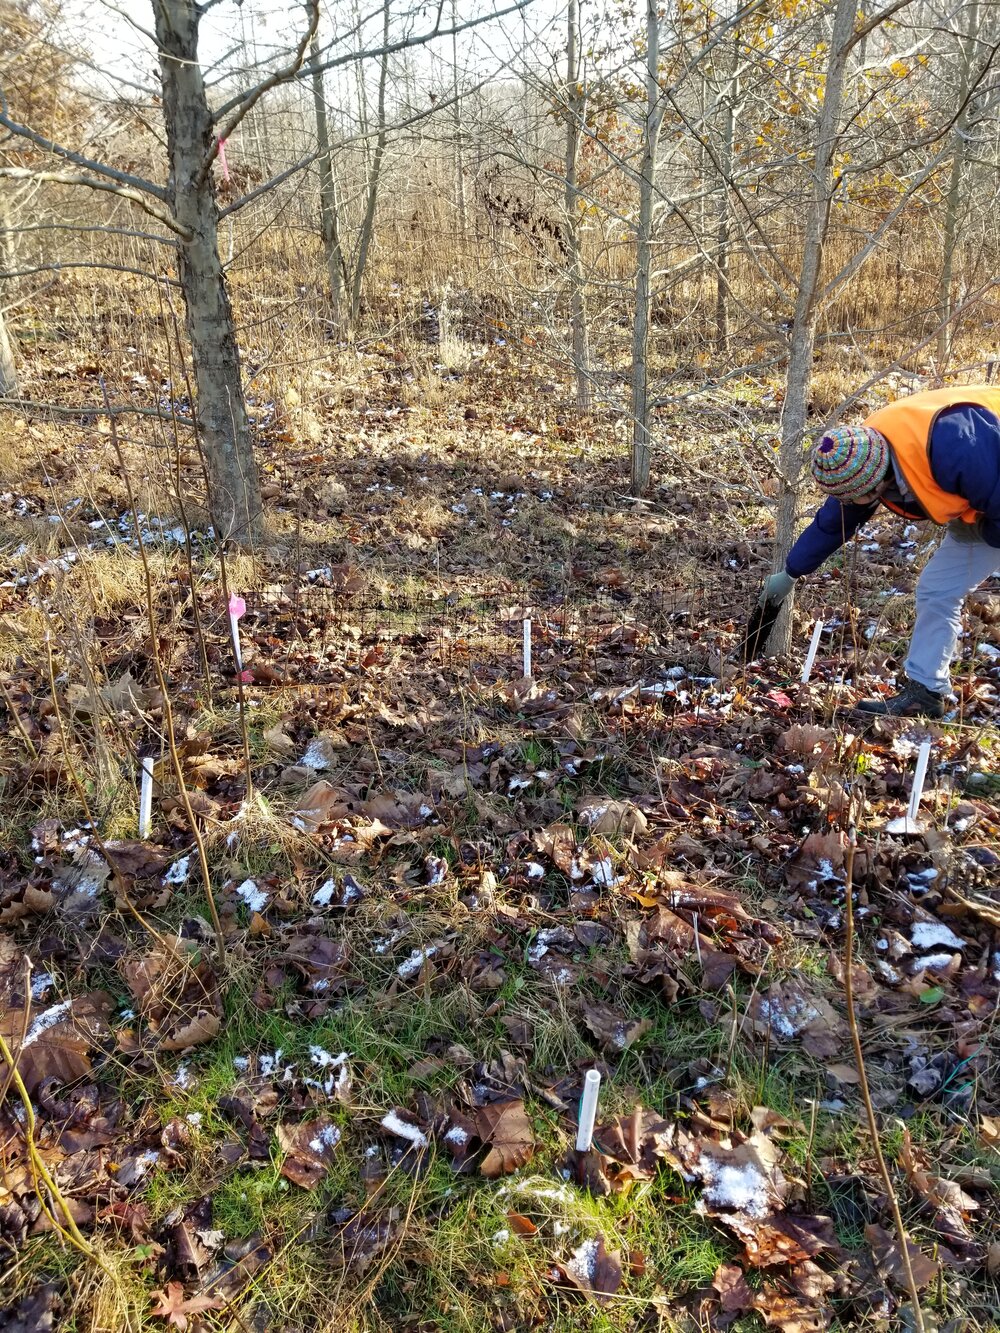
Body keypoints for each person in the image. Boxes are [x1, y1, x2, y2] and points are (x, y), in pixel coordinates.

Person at [756, 385, 1000, 717]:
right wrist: (790, 572)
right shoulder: (862, 453)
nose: (847, 504)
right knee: (938, 590)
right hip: (984, 501)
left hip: (993, 485)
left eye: (851, 497)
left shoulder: (954, 445)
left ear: (875, 484)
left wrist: (988, 529)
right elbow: (836, 520)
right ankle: (925, 693)